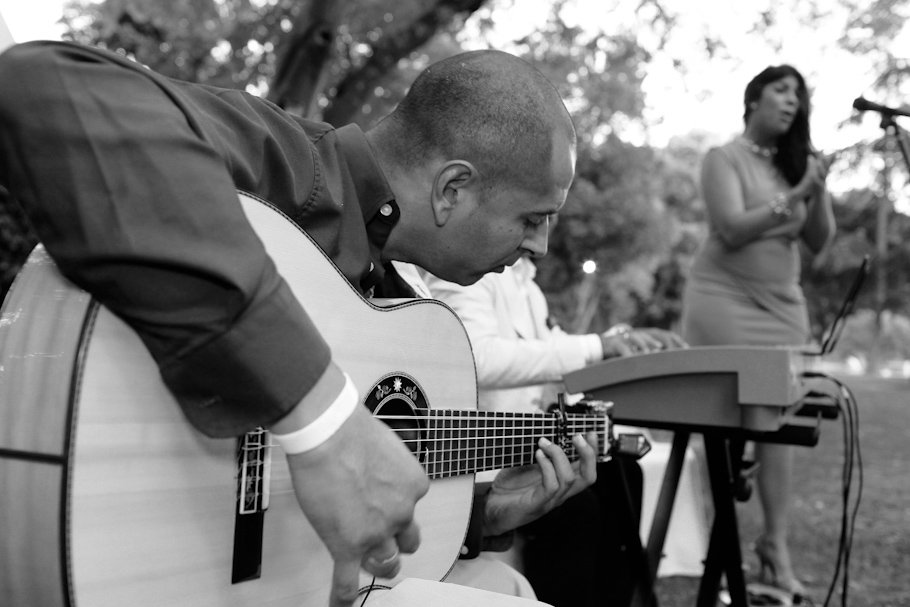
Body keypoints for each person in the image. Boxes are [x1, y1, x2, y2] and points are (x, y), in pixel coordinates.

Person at [0, 41, 599, 606]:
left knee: (505, 583)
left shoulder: (390, 291)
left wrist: (481, 515)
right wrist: (325, 421)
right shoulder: (288, 166)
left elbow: (314, 494)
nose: (541, 247)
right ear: (453, 188)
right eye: (532, 217)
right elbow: (38, 85)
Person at [423, 255, 685, 607]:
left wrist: (614, 344)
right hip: (479, 455)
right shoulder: (466, 269)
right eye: (534, 219)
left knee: (623, 473)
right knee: (576, 508)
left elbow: (551, 345)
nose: (543, 242)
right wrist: (594, 346)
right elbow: (476, 355)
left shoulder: (527, 286)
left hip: (527, 444)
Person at [680, 64, 835, 602]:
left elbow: (820, 241)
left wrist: (817, 188)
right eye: (781, 90)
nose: (792, 101)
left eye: (799, 95)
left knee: (777, 424)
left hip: (783, 305)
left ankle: (775, 548)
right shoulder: (723, 158)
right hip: (722, 299)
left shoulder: (799, 167)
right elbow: (731, 227)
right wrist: (795, 193)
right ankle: (719, 555)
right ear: (754, 98)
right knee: (724, 428)